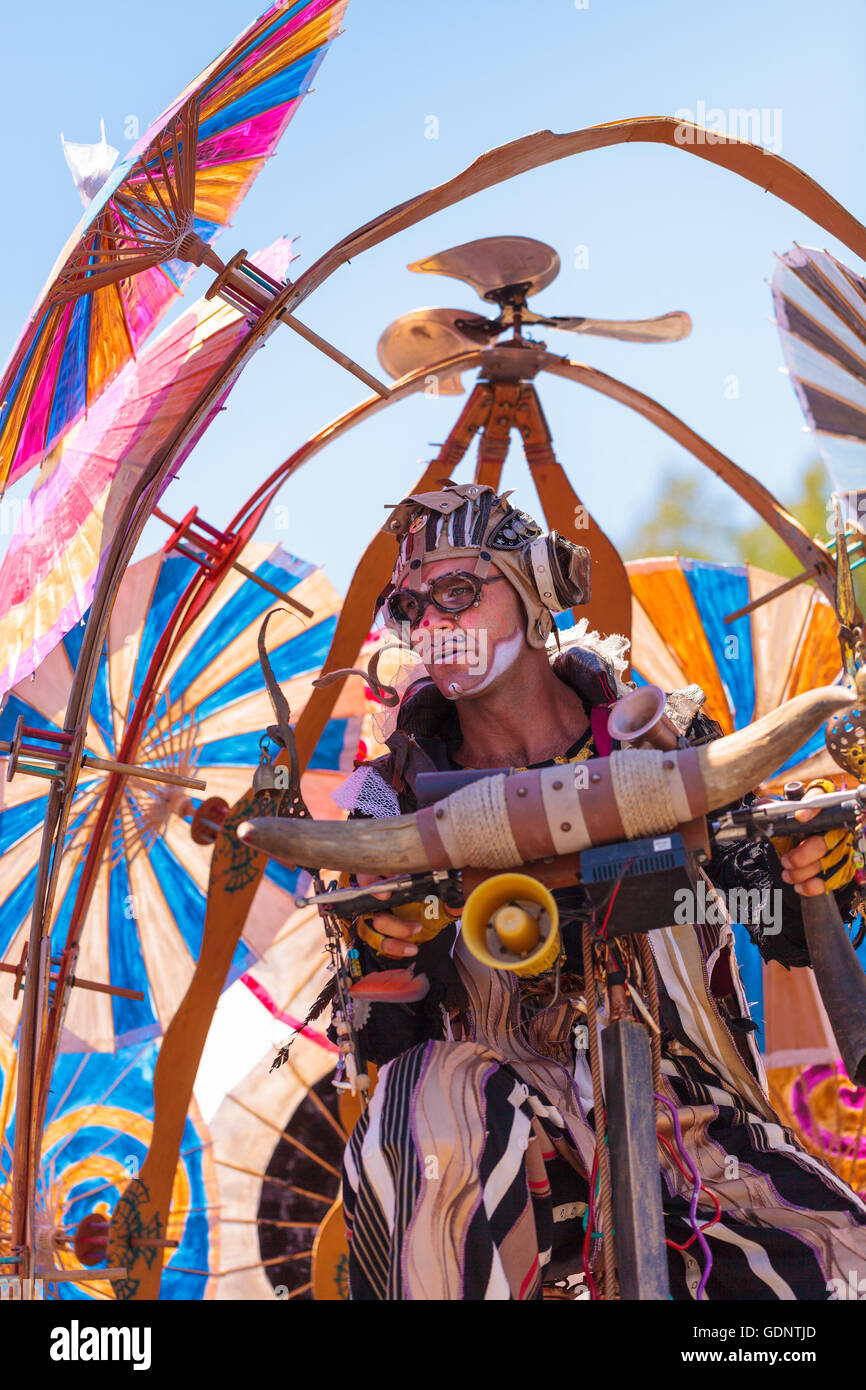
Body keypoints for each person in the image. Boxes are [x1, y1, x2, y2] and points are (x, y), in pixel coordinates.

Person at [331, 481, 864, 1301]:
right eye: (409, 607)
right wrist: (383, 956)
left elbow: (782, 926)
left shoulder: (669, 734)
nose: (433, 622)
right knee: (417, 1105)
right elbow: (381, 1050)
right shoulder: (383, 798)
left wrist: (812, 868)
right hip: (499, 1132)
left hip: (696, 1125)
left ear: (540, 585)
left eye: (458, 592)